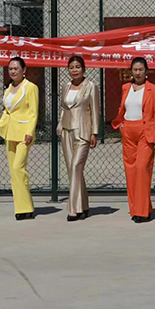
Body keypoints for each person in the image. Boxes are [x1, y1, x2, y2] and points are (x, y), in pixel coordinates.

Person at [111, 57, 155, 223]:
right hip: (128, 131)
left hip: (145, 132)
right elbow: (123, 108)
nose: (138, 73)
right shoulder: (126, 87)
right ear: (131, 72)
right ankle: (136, 209)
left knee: (142, 169)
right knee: (131, 171)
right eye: (135, 70)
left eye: (141, 69)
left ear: (146, 71)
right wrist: (121, 125)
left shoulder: (153, 89)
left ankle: (143, 211)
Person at [58, 56, 100, 222]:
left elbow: (94, 110)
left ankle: (73, 209)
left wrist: (94, 132)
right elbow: (63, 108)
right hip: (66, 131)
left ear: (83, 68)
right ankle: (83, 205)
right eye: (71, 67)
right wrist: (60, 125)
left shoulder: (91, 87)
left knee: (76, 166)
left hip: (83, 132)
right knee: (72, 170)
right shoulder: (66, 86)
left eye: (77, 67)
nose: (74, 70)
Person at [0, 57, 38, 220]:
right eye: (10, 69)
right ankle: (21, 208)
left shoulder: (30, 87)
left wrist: (30, 131)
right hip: (10, 132)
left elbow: (33, 112)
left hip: (24, 133)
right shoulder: (8, 88)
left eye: (16, 68)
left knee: (18, 168)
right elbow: (7, 109)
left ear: (24, 70)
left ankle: (26, 206)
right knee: (13, 172)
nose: (13, 71)